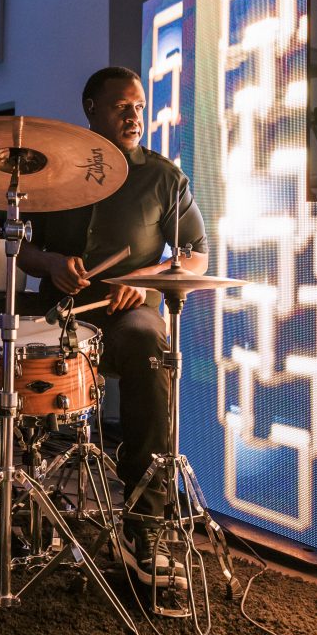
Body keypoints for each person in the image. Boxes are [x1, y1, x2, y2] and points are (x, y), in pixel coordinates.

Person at [18, 65, 209, 588]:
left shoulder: (164, 178)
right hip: (61, 314)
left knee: (149, 342)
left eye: (139, 106)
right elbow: (24, 251)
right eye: (122, 106)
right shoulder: (54, 172)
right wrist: (52, 263)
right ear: (92, 108)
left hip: (128, 312)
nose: (135, 116)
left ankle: (144, 522)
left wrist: (145, 282)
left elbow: (196, 255)